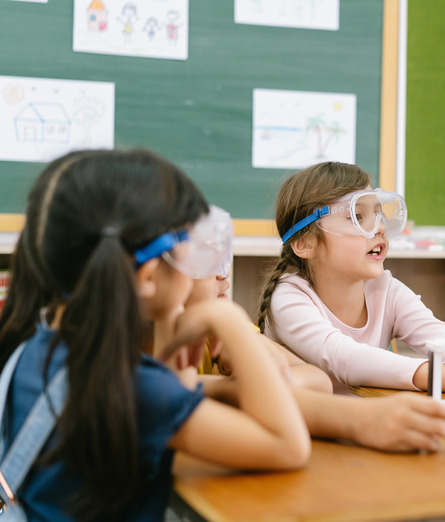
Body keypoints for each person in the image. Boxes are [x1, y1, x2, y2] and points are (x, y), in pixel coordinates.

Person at [0, 149, 310, 520]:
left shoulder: (36, 350)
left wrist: (170, 325)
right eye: (190, 248)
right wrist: (227, 318)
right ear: (148, 277)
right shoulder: (131, 387)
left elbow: (176, 397)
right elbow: (287, 446)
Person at [157, 205, 445, 453]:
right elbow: (288, 447)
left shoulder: (214, 336)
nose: (224, 275)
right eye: (205, 258)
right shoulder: (143, 381)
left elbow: (316, 381)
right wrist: (238, 368)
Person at [258, 161, 445, 393]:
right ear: (304, 243)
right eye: (356, 217)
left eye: (378, 213)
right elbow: (348, 359)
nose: (379, 229)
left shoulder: (385, 291)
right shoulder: (289, 298)